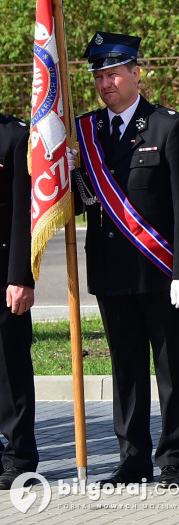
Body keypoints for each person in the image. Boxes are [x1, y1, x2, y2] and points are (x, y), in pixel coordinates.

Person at [74, 32, 179, 488]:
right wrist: (66, 171)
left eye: (114, 74)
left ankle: (173, 457)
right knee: (125, 368)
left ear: (136, 73)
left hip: (159, 270)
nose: (106, 83)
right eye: (100, 76)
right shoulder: (87, 131)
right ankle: (132, 457)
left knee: (169, 366)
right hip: (110, 270)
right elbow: (83, 202)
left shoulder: (167, 126)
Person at [0, 114, 37, 490]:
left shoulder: (13, 136)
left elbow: (23, 214)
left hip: (3, 277)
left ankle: (18, 457)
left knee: (10, 372)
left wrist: (20, 277)